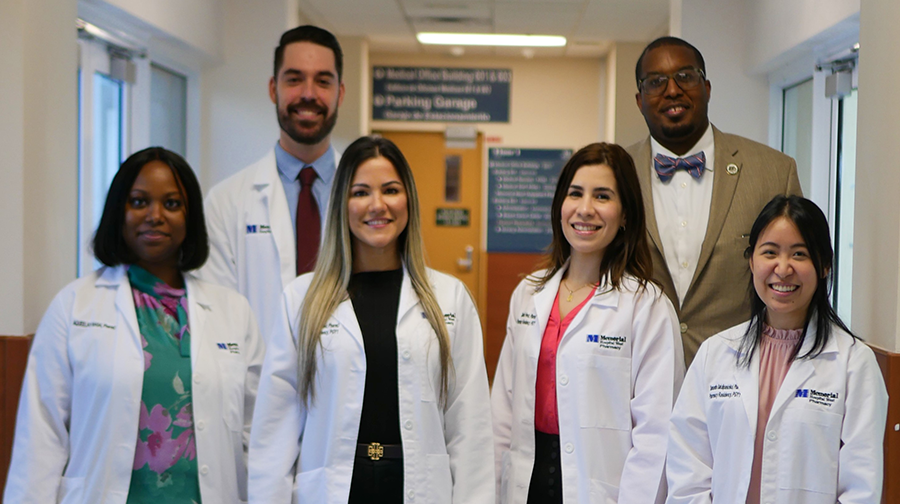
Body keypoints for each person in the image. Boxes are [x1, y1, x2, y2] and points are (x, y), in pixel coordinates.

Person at [4, 147, 264, 504]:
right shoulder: (75, 305)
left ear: (191, 218)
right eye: (139, 202)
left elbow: (257, 436)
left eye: (172, 204)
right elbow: (41, 435)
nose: (154, 216)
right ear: (118, 212)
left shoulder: (233, 311)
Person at [248, 136, 494, 504]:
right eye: (361, 192)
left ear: (408, 199)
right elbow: (274, 430)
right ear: (341, 205)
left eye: (391, 190)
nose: (377, 205)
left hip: (418, 489)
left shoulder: (450, 297)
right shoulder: (301, 300)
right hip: (334, 490)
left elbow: (470, 427)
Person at [492, 142, 685, 504]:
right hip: (526, 482)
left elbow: (656, 434)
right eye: (575, 194)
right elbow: (502, 410)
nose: (585, 209)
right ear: (559, 206)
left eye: (602, 196)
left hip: (601, 488)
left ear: (625, 213)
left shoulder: (647, 306)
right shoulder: (528, 295)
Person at [666, 195, 888, 504]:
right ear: (752, 261)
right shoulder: (714, 355)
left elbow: (860, 488)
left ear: (824, 265)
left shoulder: (854, 363)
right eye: (770, 252)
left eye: (800, 254)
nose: (783, 269)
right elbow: (687, 469)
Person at [627, 36, 802, 364]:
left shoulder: (774, 172)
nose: (672, 90)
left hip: (742, 372)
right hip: (637, 376)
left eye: (686, 76)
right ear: (639, 100)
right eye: (656, 82)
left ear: (707, 88)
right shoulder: (615, 173)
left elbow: (799, 281)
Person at [201, 25, 345, 342]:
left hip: (349, 384)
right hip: (258, 386)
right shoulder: (226, 202)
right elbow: (217, 317)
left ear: (340, 93)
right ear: (272, 89)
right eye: (294, 79)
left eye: (323, 81)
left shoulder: (364, 199)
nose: (309, 93)